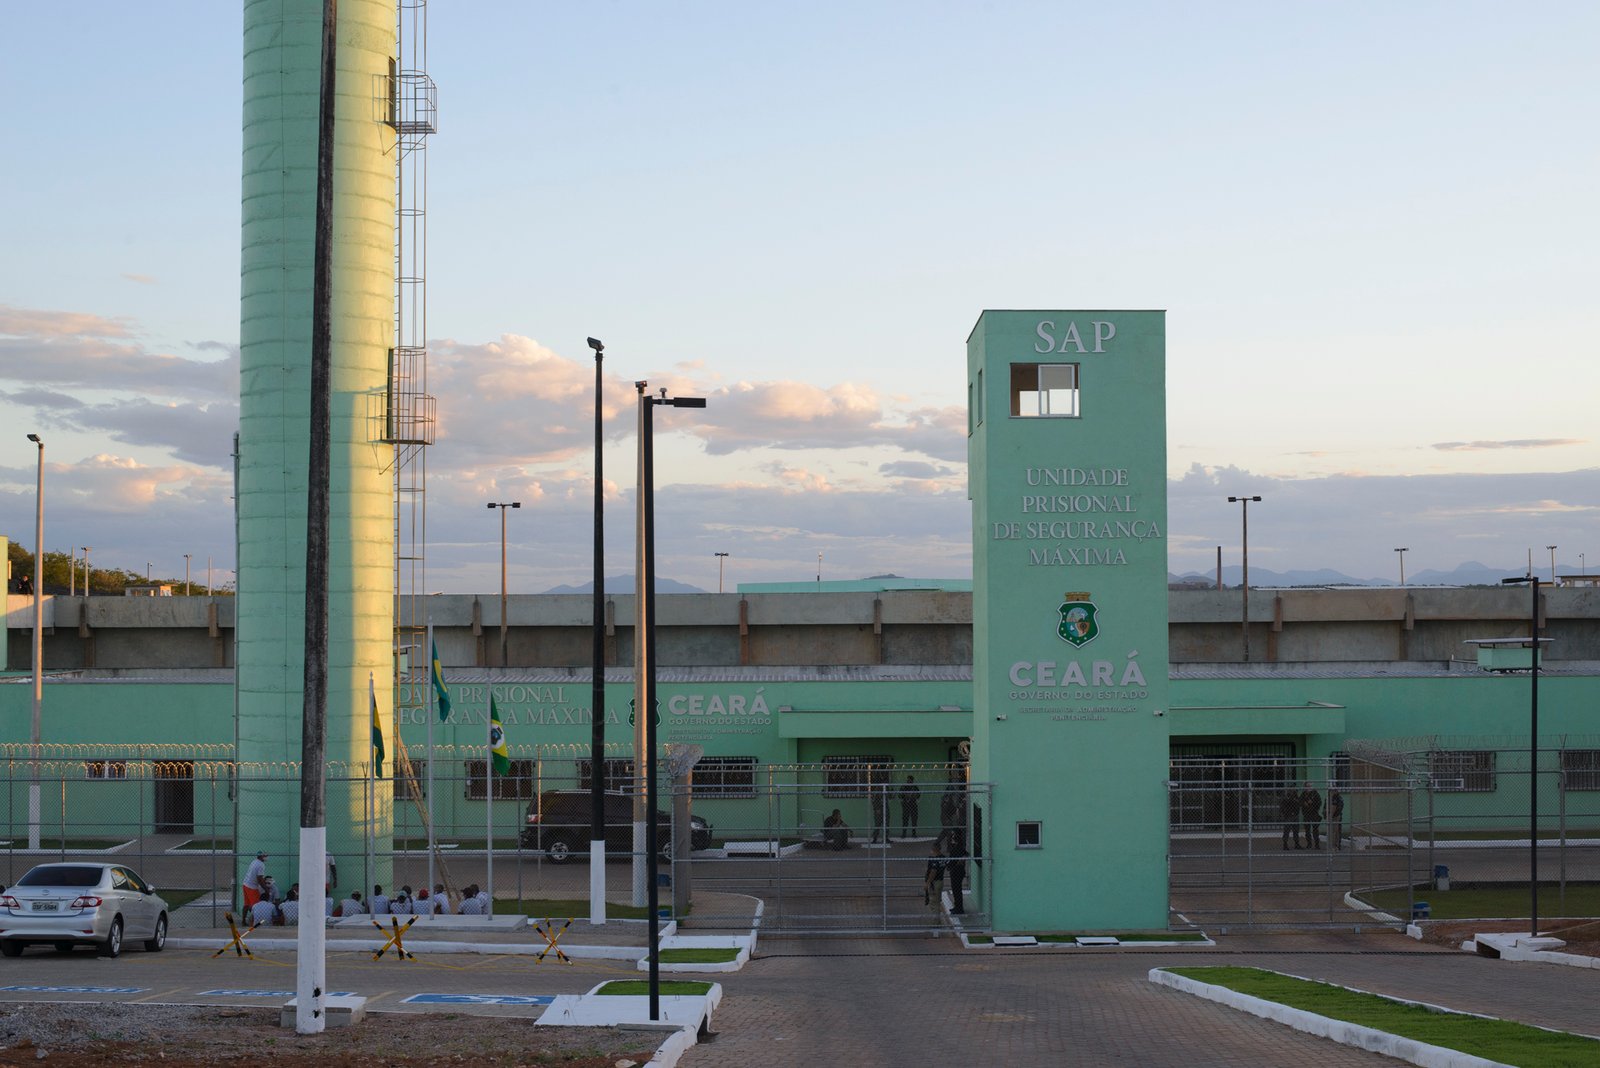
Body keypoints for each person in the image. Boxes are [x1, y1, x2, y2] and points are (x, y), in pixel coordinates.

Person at [944, 832, 967, 914]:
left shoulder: (957, 849)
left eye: (953, 839)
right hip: (958, 871)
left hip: (957, 872)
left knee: (956, 890)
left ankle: (959, 908)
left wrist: (948, 864)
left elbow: (953, 861)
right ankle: (957, 906)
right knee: (957, 890)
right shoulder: (959, 848)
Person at [923, 838, 945, 909]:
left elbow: (933, 872)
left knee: (933, 904)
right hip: (940, 881)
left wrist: (928, 883)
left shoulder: (934, 859)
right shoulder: (943, 858)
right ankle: (937, 918)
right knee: (937, 901)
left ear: (934, 849)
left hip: (935, 883)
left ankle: (935, 919)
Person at [1300, 782, 1324, 850]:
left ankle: (1317, 844)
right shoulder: (1303, 794)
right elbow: (1300, 801)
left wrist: (1312, 803)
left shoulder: (1315, 793)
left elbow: (1319, 803)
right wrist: (1304, 803)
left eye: (1310, 786)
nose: (1309, 788)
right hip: (1306, 814)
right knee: (1307, 830)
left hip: (1314, 813)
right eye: (1307, 786)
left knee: (1315, 829)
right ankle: (1309, 844)